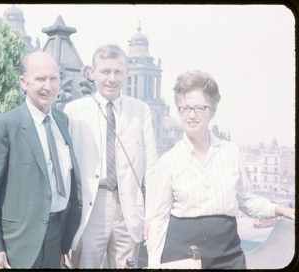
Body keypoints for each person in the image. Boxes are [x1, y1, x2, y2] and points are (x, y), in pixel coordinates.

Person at [145, 70, 295, 269]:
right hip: (182, 260)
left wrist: (280, 209)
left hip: (228, 258)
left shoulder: (231, 152)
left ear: (213, 111)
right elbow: (158, 222)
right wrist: (154, 265)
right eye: (184, 108)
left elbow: (247, 200)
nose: (191, 115)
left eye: (200, 108)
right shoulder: (168, 162)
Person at [0, 52, 82, 269]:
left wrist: (64, 241)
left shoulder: (62, 121)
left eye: (54, 79)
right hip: (17, 244)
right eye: (40, 79)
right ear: (23, 82)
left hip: (55, 238)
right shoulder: (5, 125)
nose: (48, 86)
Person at [63, 43, 158, 268]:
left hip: (128, 209)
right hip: (91, 206)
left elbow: (152, 169)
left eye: (118, 72)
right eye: (105, 72)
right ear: (92, 72)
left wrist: (150, 216)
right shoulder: (74, 111)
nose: (111, 79)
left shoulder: (141, 110)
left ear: (127, 73)